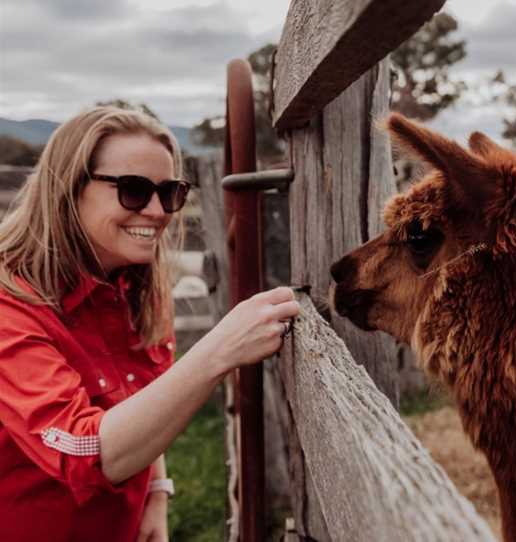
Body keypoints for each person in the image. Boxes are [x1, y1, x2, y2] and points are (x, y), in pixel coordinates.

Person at [0, 106, 299, 541]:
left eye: (171, 192)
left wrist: (156, 490)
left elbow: (139, 396)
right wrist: (218, 352)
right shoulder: (11, 308)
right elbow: (84, 449)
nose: (158, 211)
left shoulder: (130, 288)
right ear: (69, 189)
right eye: (134, 190)